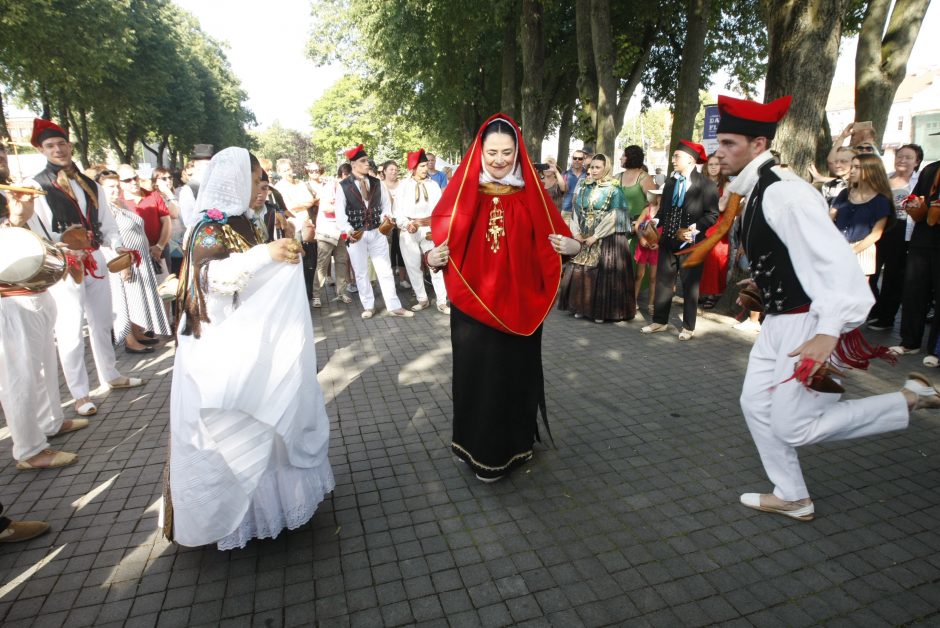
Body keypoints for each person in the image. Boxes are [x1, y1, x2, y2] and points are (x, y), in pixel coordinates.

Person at [713, 94, 934, 522]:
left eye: (729, 143)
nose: (719, 152)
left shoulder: (786, 194)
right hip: (779, 323)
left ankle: (909, 398)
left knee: (792, 425)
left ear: (759, 146)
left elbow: (836, 265)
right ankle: (793, 495)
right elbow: (794, 256)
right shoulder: (759, 189)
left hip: (806, 325)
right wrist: (764, 281)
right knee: (756, 406)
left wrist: (828, 330)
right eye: (719, 142)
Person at [164, 147, 334, 549]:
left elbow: (256, 276)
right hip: (217, 346)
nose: (263, 187)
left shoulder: (248, 220)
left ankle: (275, 509)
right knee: (233, 423)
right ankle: (231, 516)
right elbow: (209, 280)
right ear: (234, 180)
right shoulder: (208, 226)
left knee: (268, 419)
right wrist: (265, 255)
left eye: (263, 180)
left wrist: (278, 255)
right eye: (257, 180)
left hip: (247, 341)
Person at [426, 113, 578, 482]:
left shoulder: (531, 194)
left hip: (520, 305)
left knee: (514, 377)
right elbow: (440, 241)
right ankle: (475, 448)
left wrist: (571, 246)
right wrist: (431, 258)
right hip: (473, 307)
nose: (498, 160)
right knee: (477, 378)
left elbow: (555, 238)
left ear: (518, 152)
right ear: (479, 152)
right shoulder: (462, 193)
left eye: (506, 153)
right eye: (491, 152)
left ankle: (514, 447)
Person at [26, 119, 142, 417]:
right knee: (70, 329)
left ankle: (111, 374)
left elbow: (107, 222)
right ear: (42, 150)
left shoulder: (90, 184)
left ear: (70, 145)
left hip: (95, 257)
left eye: (61, 144)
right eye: (50, 146)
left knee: (103, 321)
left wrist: (117, 247)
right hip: (66, 264)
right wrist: (62, 249)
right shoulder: (37, 185)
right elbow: (37, 230)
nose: (58, 150)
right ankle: (79, 394)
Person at [0, 149, 82, 470]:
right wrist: (16, 219)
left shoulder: (9, 191)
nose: (2, 159)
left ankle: (51, 422)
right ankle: (30, 450)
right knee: (19, 376)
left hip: (34, 293)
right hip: (9, 300)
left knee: (43, 366)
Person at [641, 140, 718, 341]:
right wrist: (654, 221)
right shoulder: (671, 183)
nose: (673, 160)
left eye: (677, 156)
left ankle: (688, 327)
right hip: (668, 241)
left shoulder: (706, 185)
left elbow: (712, 215)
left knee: (690, 285)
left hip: (691, 244)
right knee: (664, 282)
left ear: (691, 159)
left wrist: (695, 229)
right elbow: (665, 211)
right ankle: (659, 321)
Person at [334, 144, 414, 319]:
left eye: (367, 160)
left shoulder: (377, 183)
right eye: (363, 161)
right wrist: (348, 231)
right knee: (361, 271)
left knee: (385, 270)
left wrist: (386, 218)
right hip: (356, 235)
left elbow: (386, 204)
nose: (367, 164)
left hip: (377, 232)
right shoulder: (343, 186)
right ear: (353, 163)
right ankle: (368, 306)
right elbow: (340, 213)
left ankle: (394, 306)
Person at [97, 170, 172, 353]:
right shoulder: (105, 210)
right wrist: (122, 263)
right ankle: (129, 340)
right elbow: (110, 239)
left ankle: (137, 332)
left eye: (117, 186)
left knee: (136, 296)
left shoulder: (119, 204)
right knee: (125, 299)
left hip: (139, 257)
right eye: (110, 187)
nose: (115, 190)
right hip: (124, 260)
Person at [558, 153, 636, 323]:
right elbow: (576, 210)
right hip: (584, 234)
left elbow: (616, 216)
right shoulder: (585, 187)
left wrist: (596, 235)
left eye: (597, 167)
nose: (593, 170)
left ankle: (599, 312)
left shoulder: (615, 190)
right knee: (582, 270)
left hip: (606, 238)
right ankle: (581, 306)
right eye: (591, 167)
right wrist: (576, 233)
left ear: (605, 168)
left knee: (601, 274)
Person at [868, 144, 924, 332]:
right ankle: (873, 310)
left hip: (903, 230)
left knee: (893, 275)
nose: (902, 160)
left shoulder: (920, 181)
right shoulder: (885, 178)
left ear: (917, 162)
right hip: (880, 227)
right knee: (871, 271)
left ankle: (886, 317)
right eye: (900, 156)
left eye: (908, 157)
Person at [892, 156, 940, 359]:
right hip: (922, 239)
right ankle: (910, 342)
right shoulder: (931, 169)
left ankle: (936, 351)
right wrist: (913, 205)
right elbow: (915, 197)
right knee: (913, 292)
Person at [395, 149, 448, 313]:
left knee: (435, 265)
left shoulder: (433, 185)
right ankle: (422, 299)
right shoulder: (403, 186)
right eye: (422, 166)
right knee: (413, 266)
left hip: (429, 229)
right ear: (414, 167)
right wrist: (406, 224)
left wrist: (437, 227)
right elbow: (397, 210)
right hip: (409, 230)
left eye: (426, 165)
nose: (426, 168)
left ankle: (442, 301)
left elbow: (440, 208)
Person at [829, 154, 893, 278]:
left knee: (857, 294)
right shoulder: (845, 193)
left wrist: (853, 251)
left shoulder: (881, 200)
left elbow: (876, 234)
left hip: (862, 249)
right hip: (838, 245)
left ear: (872, 170)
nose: (852, 171)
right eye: (852, 167)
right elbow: (829, 219)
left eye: (857, 167)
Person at [311, 165, 353, 307]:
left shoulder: (349, 188)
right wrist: (344, 208)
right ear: (341, 175)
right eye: (348, 176)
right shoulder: (330, 187)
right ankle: (316, 295)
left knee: (342, 261)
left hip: (341, 231)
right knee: (322, 265)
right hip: (327, 231)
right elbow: (325, 208)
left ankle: (341, 292)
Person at [699, 153, 732, 309]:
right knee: (701, 260)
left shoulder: (726, 184)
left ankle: (712, 294)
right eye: (710, 164)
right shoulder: (700, 183)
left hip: (718, 225)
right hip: (701, 224)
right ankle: (702, 292)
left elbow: (721, 207)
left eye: (716, 164)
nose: (713, 167)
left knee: (715, 259)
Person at [633, 188, 662, 314]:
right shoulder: (648, 209)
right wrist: (641, 239)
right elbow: (637, 225)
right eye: (659, 195)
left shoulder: (667, 213)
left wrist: (659, 244)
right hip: (644, 246)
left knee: (653, 277)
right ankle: (633, 301)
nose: (661, 198)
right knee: (639, 275)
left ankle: (651, 304)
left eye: (663, 196)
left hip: (656, 248)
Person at [617, 145, 656, 223]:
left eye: (623, 155)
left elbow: (654, 204)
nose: (620, 158)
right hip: (617, 225)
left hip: (636, 228)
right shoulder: (617, 177)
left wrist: (640, 222)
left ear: (631, 157)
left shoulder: (645, 178)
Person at [561, 149, 588, 222]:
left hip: (582, 212)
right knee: (565, 233)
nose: (577, 160)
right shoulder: (565, 174)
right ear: (572, 158)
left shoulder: (588, 175)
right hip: (567, 212)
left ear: (583, 160)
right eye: (575, 158)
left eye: (580, 158)